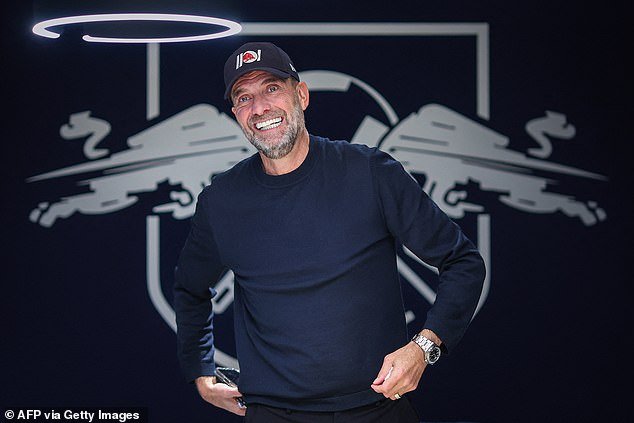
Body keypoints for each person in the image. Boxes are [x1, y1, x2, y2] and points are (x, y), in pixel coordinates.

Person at [174, 41, 486, 422]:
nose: (260, 108)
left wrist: (424, 347)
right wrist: (201, 371)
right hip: (274, 414)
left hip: (378, 409)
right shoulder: (221, 201)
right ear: (236, 114)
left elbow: (463, 262)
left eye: (272, 88)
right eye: (244, 98)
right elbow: (190, 289)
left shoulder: (370, 173)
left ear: (301, 95)